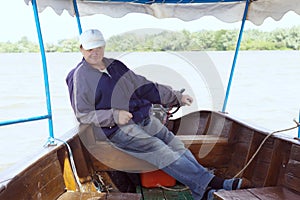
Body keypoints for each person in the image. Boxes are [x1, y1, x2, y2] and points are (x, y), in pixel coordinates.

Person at [66, 29, 250, 200]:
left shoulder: (116, 66)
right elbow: (83, 114)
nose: (94, 52)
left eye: (98, 47)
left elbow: (144, 86)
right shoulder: (79, 76)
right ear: (81, 49)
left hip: (142, 119)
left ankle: (201, 189)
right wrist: (114, 115)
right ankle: (213, 184)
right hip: (115, 129)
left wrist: (176, 97)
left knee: (175, 145)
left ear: (103, 46)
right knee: (159, 149)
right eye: (90, 48)